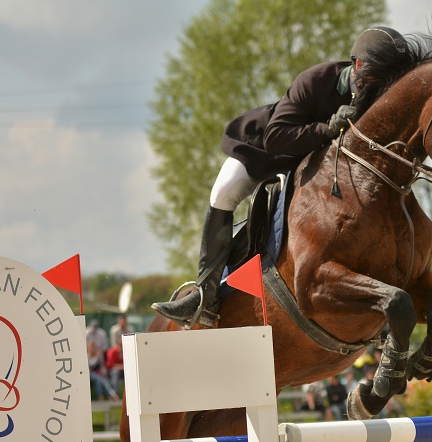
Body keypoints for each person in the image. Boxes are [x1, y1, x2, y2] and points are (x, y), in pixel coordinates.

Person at [153, 26, 407, 327]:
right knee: (223, 192)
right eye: (383, 74)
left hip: (317, 167)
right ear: (359, 66)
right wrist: (327, 128)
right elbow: (276, 136)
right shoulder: (316, 80)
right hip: (268, 149)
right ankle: (205, 294)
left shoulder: (379, 95)